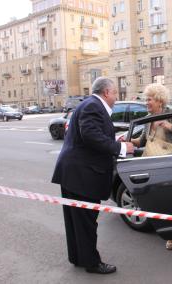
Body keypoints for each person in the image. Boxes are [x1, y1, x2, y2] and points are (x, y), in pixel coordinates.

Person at [52, 77, 134, 274]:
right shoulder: (93, 106)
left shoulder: (89, 105)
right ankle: (92, 263)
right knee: (86, 221)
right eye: (115, 93)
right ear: (106, 92)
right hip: (82, 176)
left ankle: (78, 257)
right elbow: (90, 136)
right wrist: (121, 147)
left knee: (77, 221)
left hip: (74, 173)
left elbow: (91, 134)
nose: (116, 97)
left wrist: (115, 140)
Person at [127, 83, 172, 250]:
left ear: (159, 101)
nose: (146, 103)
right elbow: (142, 141)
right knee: (158, 199)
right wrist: (127, 142)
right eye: (146, 99)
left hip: (171, 163)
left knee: (171, 200)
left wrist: (168, 125)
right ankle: (164, 227)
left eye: (149, 99)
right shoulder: (149, 119)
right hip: (154, 164)